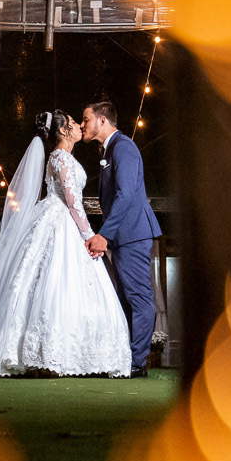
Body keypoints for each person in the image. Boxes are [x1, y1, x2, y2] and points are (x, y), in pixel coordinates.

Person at [0, 110, 132, 378]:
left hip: (59, 218)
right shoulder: (61, 157)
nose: (78, 127)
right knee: (52, 279)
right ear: (63, 131)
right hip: (60, 219)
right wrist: (89, 235)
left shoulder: (63, 157)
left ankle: (66, 353)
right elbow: (72, 202)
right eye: (74, 123)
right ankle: (44, 353)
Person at [82, 102, 162, 377]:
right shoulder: (108, 150)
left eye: (86, 119)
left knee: (138, 297)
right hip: (123, 236)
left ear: (102, 120)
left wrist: (104, 234)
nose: (82, 125)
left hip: (132, 233)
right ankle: (125, 357)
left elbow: (126, 195)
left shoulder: (124, 147)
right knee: (125, 297)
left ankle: (137, 363)